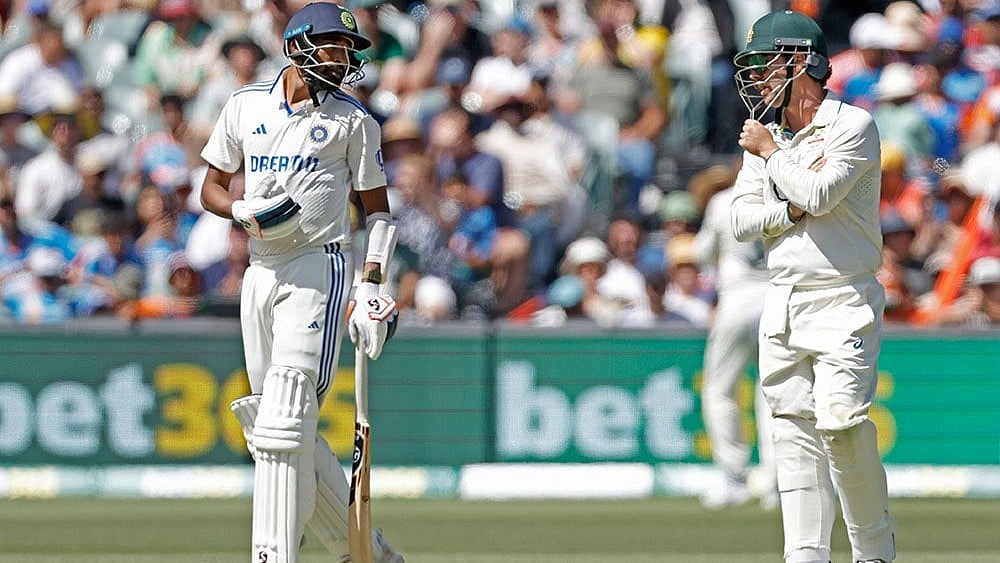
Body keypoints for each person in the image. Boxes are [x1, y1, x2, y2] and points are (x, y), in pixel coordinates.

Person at [197, 3, 404, 562]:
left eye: (348, 52)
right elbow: (211, 188)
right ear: (296, 46)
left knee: (288, 411)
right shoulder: (245, 105)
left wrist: (372, 284)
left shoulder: (354, 121)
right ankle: (366, 553)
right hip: (259, 270)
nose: (342, 62)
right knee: (274, 424)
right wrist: (240, 210)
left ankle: (273, 554)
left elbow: (379, 213)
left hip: (319, 266)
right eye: (332, 48)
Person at [731, 10, 895, 563]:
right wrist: (786, 210)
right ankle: (804, 555)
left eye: (765, 63)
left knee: (842, 425)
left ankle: (874, 552)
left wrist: (772, 157)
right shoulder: (769, 134)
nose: (756, 77)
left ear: (800, 62)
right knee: (792, 434)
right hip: (783, 299)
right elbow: (741, 220)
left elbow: (820, 196)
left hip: (844, 295)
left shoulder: (852, 125)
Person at [694, 179, 776, 510]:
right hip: (777, 298)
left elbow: (703, 253)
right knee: (774, 394)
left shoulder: (722, 201)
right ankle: (778, 484)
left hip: (738, 298)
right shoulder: (784, 192)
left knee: (720, 391)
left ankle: (733, 479)